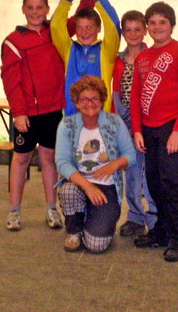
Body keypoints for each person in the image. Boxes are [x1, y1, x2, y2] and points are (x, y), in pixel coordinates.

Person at [130, 2, 178, 263]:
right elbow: (136, 97)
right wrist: (137, 130)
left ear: (172, 25)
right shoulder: (143, 58)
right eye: (153, 22)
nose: (157, 27)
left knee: (174, 185)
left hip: (173, 127)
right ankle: (161, 232)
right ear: (147, 26)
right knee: (155, 184)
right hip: (149, 129)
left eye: (163, 22)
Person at [0, 0, 65, 231]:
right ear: (23, 10)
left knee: (49, 159)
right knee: (21, 159)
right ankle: (14, 211)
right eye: (30, 7)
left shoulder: (56, 30)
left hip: (53, 111)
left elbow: (82, 19)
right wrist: (19, 112)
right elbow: (10, 81)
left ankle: (52, 209)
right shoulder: (13, 41)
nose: (35, 12)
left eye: (40, 7)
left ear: (47, 9)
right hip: (26, 115)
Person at [54, 75, 137, 253]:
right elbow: (62, 163)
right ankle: (74, 231)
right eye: (84, 99)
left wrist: (115, 164)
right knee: (68, 191)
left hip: (107, 187)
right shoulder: (67, 125)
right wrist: (88, 186)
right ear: (76, 102)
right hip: (80, 183)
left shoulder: (115, 122)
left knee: (96, 246)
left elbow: (131, 155)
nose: (90, 103)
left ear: (102, 100)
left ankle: (96, 221)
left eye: (95, 98)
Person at [112, 10, 157, 237]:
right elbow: (116, 90)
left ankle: (154, 217)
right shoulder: (117, 60)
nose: (133, 34)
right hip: (123, 121)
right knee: (130, 170)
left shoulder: (152, 57)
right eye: (128, 30)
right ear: (122, 32)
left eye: (137, 29)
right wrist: (119, 120)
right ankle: (135, 217)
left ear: (145, 31)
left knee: (148, 173)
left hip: (147, 121)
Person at [51, 0, 121, 116]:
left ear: (98, 28)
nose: (84, 32)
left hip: (99, 118)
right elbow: (55, 26)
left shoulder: (106, 51)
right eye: (80, 28)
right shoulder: (69, 49)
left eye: (89, 27)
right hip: (71, 117)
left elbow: (113, 26)